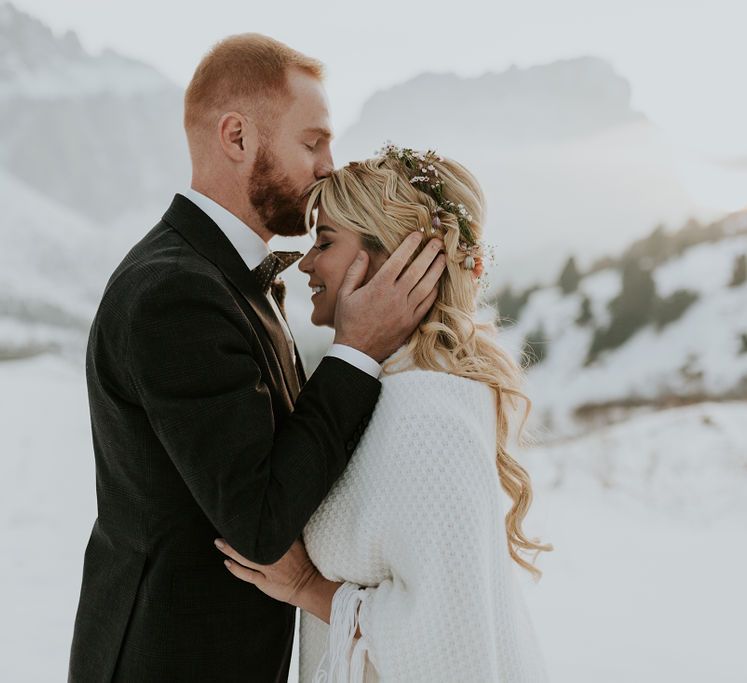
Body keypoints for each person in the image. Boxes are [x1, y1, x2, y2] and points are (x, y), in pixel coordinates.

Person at [67, 36, 445, 682]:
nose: (330, 165)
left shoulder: (226, 279)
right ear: (236, 137)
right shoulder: (174, 293)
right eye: (312, 142)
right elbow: (260, 522)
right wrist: (355, 349)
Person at [214, 144, 553, 682]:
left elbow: (450, 644)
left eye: (324, 242)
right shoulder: (384, 389)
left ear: (394, 259)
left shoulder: (426, 415)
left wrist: (307, 588)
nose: (305, 262)